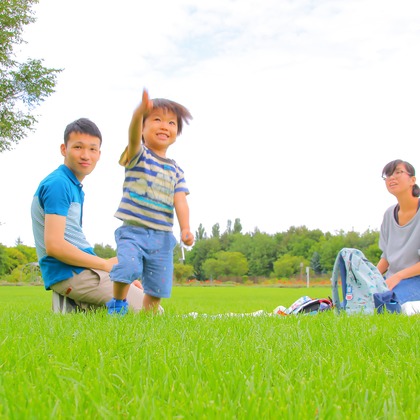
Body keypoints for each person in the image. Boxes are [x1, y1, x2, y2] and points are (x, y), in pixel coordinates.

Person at [31, 118, 145, 312]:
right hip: (70, 273)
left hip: (76, 270)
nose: (85, 155)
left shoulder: (72, 185)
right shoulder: (59, 184)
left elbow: (74, 241)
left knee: (130, 301)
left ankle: (73, 310)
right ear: (64, 149)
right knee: (150, 310)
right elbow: (55, 246)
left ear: (99, 154)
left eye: (92, 149)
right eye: (78, 147)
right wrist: (106, 265)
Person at [106, 89, 194, 314]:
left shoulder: (176, 170)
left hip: (162, 237)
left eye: (171, 123)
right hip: (133, 231)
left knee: (157, 287)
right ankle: (117, 305)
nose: (164, 126)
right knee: (127, 267)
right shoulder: (138, 155)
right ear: (143, 129)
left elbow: (180, 201)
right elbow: (132, 135)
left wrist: (185, 228)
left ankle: (148, 321)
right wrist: (138, 113)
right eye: (157, 120)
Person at [376, 159, 420, 307]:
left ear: (412, 180)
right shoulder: (389, 214)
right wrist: (372, 278)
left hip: (414, 279)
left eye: (398, 172)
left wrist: (398, 276)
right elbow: (386, 258)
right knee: (359, 301)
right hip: (393, 279)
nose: (391, 178)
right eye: (388, 175)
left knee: (386, 303)